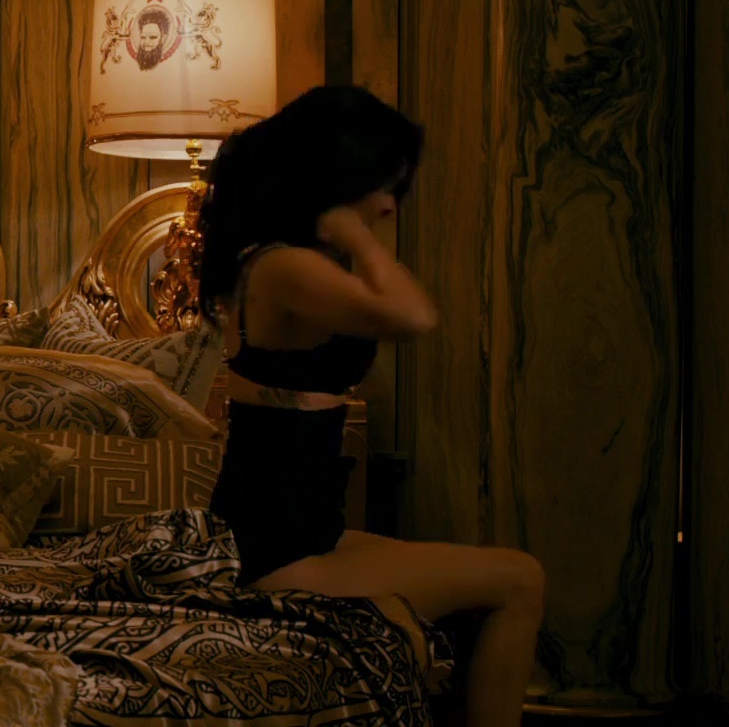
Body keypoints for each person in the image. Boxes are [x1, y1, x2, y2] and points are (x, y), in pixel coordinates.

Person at [195, 85, 544, 727]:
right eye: (382, 186)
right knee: (521, 578)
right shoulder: (287, 267)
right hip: (276, 556)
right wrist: (361, 239)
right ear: (337, 178)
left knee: (476, 575)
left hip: (292, 537)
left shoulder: (274, 260)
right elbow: (413, 317)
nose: (389, 204)